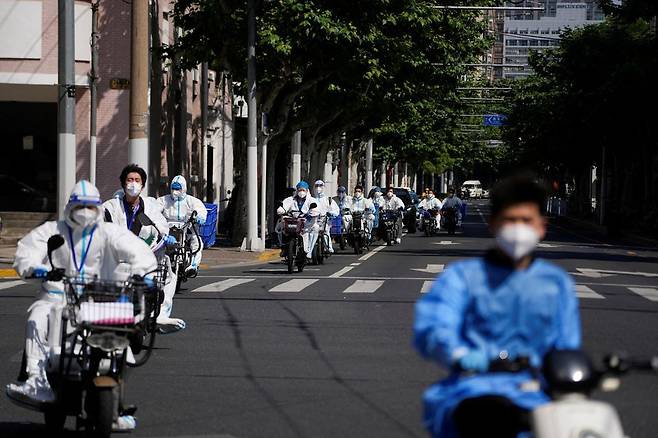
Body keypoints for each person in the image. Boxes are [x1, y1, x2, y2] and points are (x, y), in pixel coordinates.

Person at [413, 175, 581, 438]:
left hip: (539, 397)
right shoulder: (461, 278)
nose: (518, 229)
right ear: (493, 225)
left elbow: (567, 345)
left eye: (526, 221)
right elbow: (434, 327)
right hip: (474, 391)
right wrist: (458, 354)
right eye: (510, 220)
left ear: (542, 227)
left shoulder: (556, 283)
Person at [6, 180, 157, 430]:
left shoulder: (108, 232)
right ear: (70, 207)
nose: (85, 212)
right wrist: (40, 269)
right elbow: (27, 252)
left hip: (99, 298)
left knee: (124, 345)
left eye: (90, 207)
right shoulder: (54, 230)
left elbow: (136, 249)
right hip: (57, 297)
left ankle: (116, 405)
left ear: (98, 208)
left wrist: (145, 273)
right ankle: (36, 379)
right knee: (37, 318)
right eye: (80, 206)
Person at [103, 164, 185, 333]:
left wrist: (166, 236)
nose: (133, 183)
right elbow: (99, 222)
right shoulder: (111, 206)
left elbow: (161, 226)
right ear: (123, 184)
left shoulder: (151, 206)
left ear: (142, 184)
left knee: (168, 276)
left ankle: (161, 314)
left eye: (137, 180)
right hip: (119, 258)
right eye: (130, 180)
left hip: (148, 257)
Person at [157, 175, 207, 277]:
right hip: (167, 229)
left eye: (178, 188)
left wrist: (199, 218)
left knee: (197, 243)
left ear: (183, 188)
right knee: (157, 244)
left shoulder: (192, 201)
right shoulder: (163, 200)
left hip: (187, 228)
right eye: (173, 188)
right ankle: (158, 266)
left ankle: (192, 266)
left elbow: (201, 211)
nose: (175, 191)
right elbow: (154, 209)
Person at [277, 181, 320, 260]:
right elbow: (284, 206)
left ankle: (308, 251)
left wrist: (310, 215)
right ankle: (283, 246)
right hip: (292, 222)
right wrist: (281, 210)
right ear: (297, 190)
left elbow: (316, 210)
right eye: (300, 190)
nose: (301, 192)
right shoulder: (291, 199)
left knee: (315, 228)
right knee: (279, 226)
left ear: (307, 191)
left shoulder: (311, 200)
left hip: (306, 224)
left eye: (303, 190)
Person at [313, 180, 339, 253]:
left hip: (325, 221)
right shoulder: (312, 199)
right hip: (313, 221)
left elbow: (336, 210)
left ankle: (328, 248)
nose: (318, 188)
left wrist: (331, 213)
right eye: (317, 186)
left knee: (325, 233)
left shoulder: (328, 200)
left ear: (324, 187)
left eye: (320, 186)